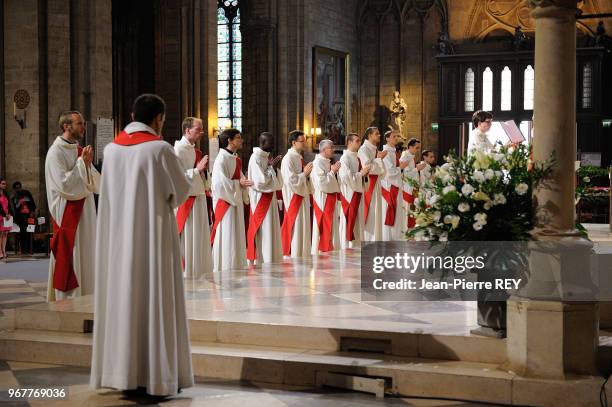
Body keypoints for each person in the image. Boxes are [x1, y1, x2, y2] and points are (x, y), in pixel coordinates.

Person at [91, 94, 194, 396]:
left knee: (123, 299)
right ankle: (155, 376)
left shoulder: (111, 150)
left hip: (117, 242)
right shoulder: (159, 149)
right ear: (158, 119)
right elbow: (180, 191)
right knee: (154, 299)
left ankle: (121, 373)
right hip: (153, 239)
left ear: (132, 114)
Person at [45, 111, 100, 301]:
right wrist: (81, 164)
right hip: (68, 208)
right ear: (67, 126)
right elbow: (63, 185)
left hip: (85, 207)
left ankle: (87, 293)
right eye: (79, 124)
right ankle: (69, 296)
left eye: (83, 123)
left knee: (86, 249)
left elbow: (95, 181)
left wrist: (86, 165)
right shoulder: (55, 152)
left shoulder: (79, 149)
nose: (83, 127)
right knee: (73, 250)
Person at [174, 117, 211, 279]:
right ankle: (188, 270)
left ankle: (199, 269)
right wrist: (197, 170)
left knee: (199, 235)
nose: (202, 133)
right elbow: (175, 177)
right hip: (187, 200)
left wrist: (203, 173)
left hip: (199, 196)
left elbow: (200, 174)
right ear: (187, 130)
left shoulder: (195, 150)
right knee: (189, 237)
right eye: (198, 129)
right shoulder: (178, 150)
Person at [210, 128, 252, 272]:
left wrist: (244, 183)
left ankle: (236, 264)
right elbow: (218, 184)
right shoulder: (221, 159)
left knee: (236, 233)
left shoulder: (235, 158)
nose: (241, 140)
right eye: (238, 137)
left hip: (235, 202)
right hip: (226, 204)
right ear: (229, 140)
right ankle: (226, 265)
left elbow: (240, 178)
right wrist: (238, 184)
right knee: (227, 234)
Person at [246, 132, 283, 264]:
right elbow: (260, 181)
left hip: (269, 197)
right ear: (262, 143)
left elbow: (270, 175)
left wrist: (273, 168)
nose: (273, 145)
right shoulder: (255, 157)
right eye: (270, 142)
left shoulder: (265, 157)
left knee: (271, 227)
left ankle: (271, 256)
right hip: (260, 198)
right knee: (264, 229)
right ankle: (263, 258)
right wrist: (272, 168)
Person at [280, 130, 313, 258]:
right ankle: (294, 253)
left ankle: (303, 253)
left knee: (303, 225)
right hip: (294, 197)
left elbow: (301, 177)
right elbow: (290, 180)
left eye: (305, 140)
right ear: (293, 142)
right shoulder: (288, 158)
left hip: (301, 196)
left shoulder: (298, 156)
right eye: (302, 141)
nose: (304, 143)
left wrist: (307, 175)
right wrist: (304, 174)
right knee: (296, 226)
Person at [338, 133, 370, 249]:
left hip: (357, 191)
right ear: (349, 142)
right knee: (349, 219)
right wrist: (361, 174)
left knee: (358, 218)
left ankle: (356, 243)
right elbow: (345, 177)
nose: (359, 143)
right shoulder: (344, 158)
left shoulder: (357, 157)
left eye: (359, 141)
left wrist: (364, 174)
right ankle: (347, 244)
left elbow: (359, 174)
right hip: (349, 194)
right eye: (356, 141)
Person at [310, 139, 341, 255]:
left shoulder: (326, 161)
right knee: (324, 225)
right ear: (323, 149)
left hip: (330, 198)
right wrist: (332, 172)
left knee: (331, 226)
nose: (333, 149)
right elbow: (321, 183)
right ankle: (323, 251)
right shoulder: (317, 163)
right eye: (331, 147)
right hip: (323, 199)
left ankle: (330, 249)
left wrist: (334, 172)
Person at [358, 127, 387, 242]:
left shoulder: (374, 149)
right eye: (377, 133)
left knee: (376, 212)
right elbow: (368, 168)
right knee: (370, 213)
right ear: (369, 135)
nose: (379, 135)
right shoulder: (364, 149)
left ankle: (376, 239)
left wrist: (379, 161)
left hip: (376, 184)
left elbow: (381, 170)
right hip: (369, 184)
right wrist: (379, 159)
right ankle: (368, 240)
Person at [380, 130, 409, 241]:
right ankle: (389, 237)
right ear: (387, 138)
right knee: (390, 210)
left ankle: (396, 235)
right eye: (394, 136)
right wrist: (400, 167)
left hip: (396, 184)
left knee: (396, 211)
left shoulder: (392, 151)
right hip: (390, 186)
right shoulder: (386, 152)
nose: (396, 138)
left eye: (397, 136)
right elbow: (389, 171)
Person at [400, 138, 425, 229]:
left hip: (413, 186)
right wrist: (417, 169)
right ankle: (406, 227)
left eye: (418, 148)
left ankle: (411, 226)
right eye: (416, 148)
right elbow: (406, 174)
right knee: (408, 207)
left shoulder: (410, 156)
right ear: (410, 147)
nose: (418, 150)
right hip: (407, 187)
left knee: (413, 206)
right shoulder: (405, 156)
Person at [11, 181, 36, 254]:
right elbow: (15, 209)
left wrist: (32, 212)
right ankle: (24, 250)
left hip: (29, 215)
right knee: (23, 233)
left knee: (30, 232)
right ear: (14, 189)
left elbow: (32, 203)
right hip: (21, 217)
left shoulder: (26, 193)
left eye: (19, 187)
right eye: (16, 188)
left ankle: (30, 249)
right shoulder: (14, 197)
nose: (18, 189)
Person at [0, 178, 14, 260]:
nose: (4, 185)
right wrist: (5, 214)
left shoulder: (5, 194)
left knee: (5, 234)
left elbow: (9, 205)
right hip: (1, 216)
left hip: (7, 216)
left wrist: (10, 214)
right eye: (2, 183)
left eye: (5, 184)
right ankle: (0, 252)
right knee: (0, 234)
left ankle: (4, 251)